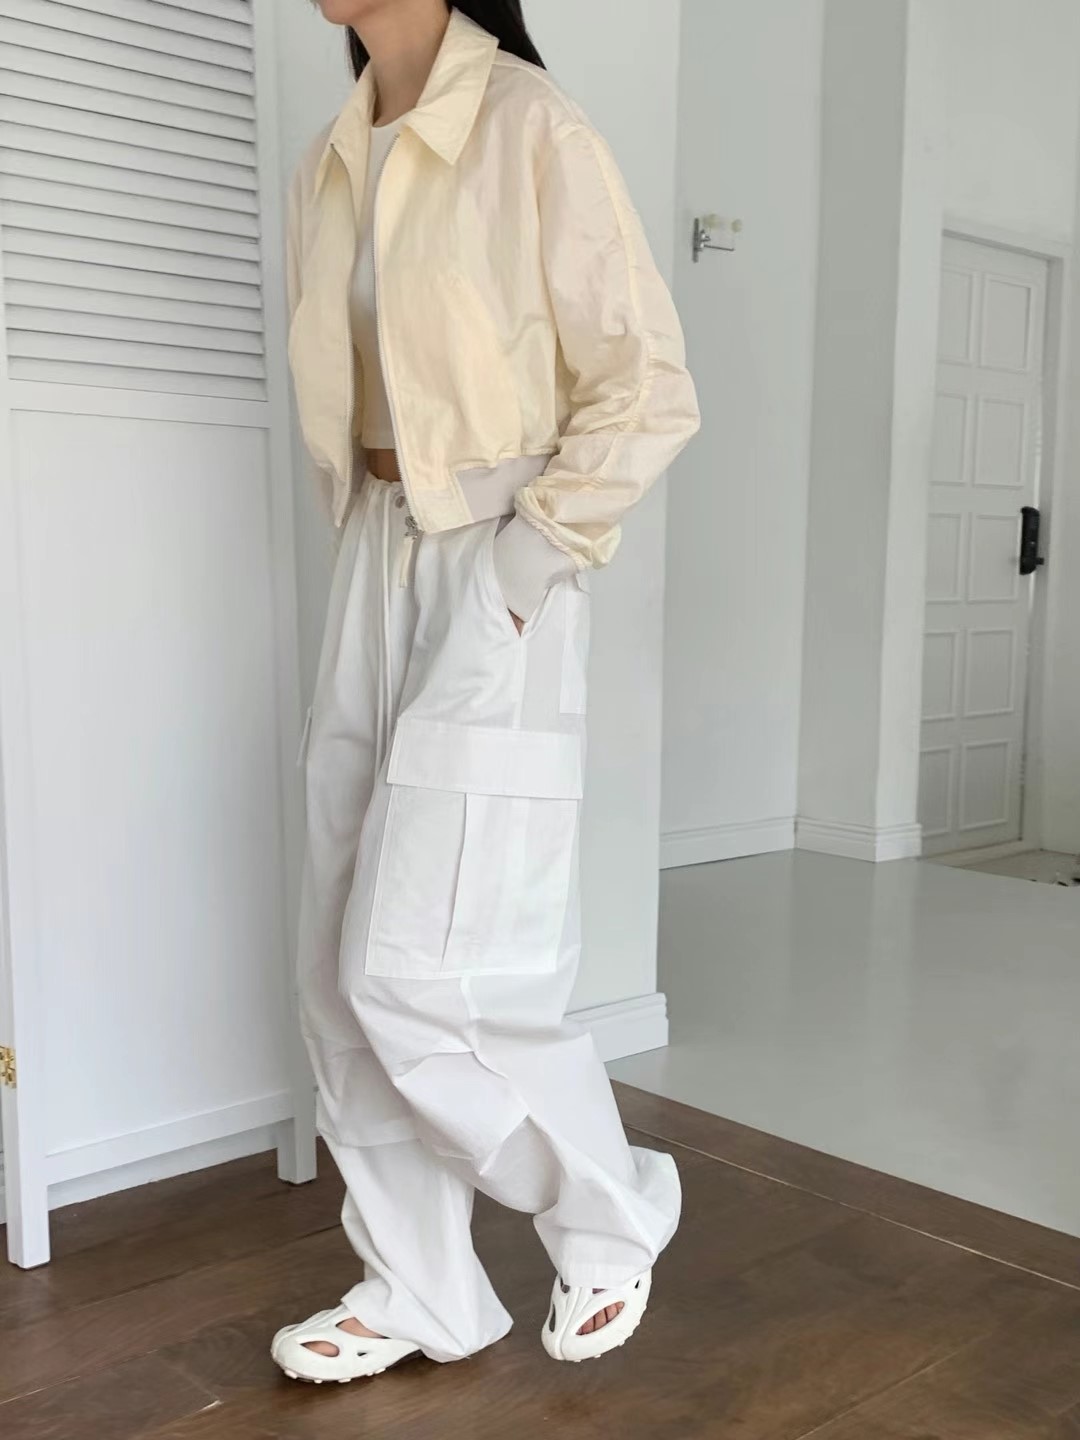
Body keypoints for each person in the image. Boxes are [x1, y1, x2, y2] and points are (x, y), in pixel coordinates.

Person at [274, 0, 700, 1383]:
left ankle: (611, 1208)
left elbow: (648, 387)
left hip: (497, 555)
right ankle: (419, 1285)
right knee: (333, 964)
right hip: (374, 554)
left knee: (427, 964)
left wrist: (522, 571)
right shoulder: (337, 152)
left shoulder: (529, 126)